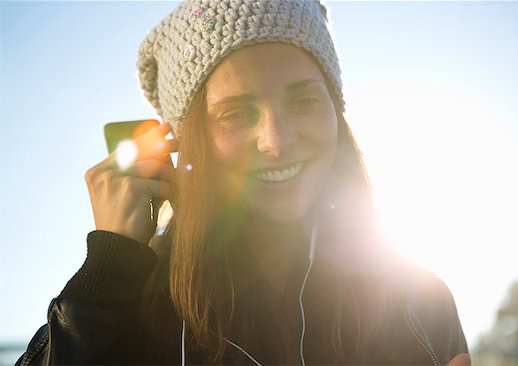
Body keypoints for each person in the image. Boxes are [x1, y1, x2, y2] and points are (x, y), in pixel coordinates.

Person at [17, 1, 470, 365]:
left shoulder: (418, 301)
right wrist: (108, 271)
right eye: (237, 113)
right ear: (187, 140)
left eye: (303, 101)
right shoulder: (125, 307)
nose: (277, 141)